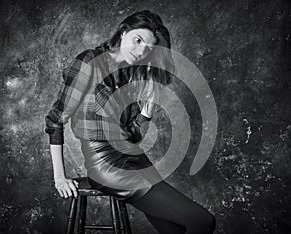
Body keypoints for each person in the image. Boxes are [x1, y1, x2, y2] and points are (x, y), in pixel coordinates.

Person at [45, 10, 216, 234]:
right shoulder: (90, 63)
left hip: (135, 158)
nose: (140, 50)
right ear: (124, 32)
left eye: (148, 48)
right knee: (202, 222)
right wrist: (59, 177)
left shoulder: (130, 77)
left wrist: (146, 114)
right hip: (106, 164)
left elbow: (131, 135)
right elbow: (55, 121)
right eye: (138, 40)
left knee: (173, 230)